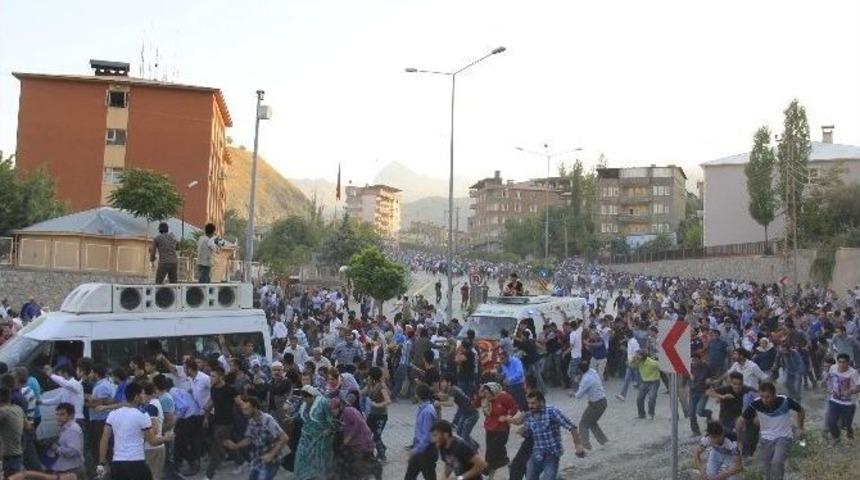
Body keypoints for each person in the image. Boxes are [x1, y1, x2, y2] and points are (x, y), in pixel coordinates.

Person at [98, 382, 172, 480]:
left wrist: (101, 462)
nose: (144, 396)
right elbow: (152, 441)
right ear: (136, 397)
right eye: (142, 393)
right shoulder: (142, 415)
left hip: (118, 463)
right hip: (137, 462)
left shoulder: (113, 414)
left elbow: (104, 439)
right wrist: (166, 438)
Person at [504, 390, 585, 480]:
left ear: (542, 402)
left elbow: (572, 427)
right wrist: (523, 431)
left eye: (533, 403)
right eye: (529, 403)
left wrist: (578, 445)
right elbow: (525, 427)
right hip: (535, 454)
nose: (530, 406)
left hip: (551, 454)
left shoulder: (552, 412)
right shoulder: (529, 415)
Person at [738, 382, 804, 480]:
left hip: (784, 437)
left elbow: (800, 410)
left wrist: (800, 427)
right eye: (762, 396)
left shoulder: (785, 401)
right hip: (766, 439)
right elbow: (740, 421)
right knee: (767, 468)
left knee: (777, 462)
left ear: (774, 394)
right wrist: (739, 440)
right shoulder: (756, 404)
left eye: (767, 397)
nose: (764, 400)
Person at [224, 397, 289, 480]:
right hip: (257, 459)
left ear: (254, 408)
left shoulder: (268, 420)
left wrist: (270, 455)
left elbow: (284, 438)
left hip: (271, 461)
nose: (244, 412)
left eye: (246, 409)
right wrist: (236, 446)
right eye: (243, 409)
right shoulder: (251, 420)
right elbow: (249, 439)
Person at [329, 398, 381, 480]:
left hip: (362, 440)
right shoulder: (344, 413)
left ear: (339, 407)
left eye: (333, 409)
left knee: (360, 462)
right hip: (359, 440)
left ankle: (373, 471)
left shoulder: (348, 411)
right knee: (363, 460)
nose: (332, 412)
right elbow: (348, 425)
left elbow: (358, 423)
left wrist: (348, 438)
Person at [294, 385, 335, 480]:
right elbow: (302, 416)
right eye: (303, 397)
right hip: (306, 436)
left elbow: (330, 418)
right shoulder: (304, 404)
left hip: (320, 436)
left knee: (319, 459)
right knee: (303, 456)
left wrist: (329, 429)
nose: (305, 400)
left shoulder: (322, 402)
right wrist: (293, 417)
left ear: (312, 396)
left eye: (306, 397)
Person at [478, 382, 518, 479]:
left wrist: (506, 416)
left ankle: (488, 469)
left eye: (488, 393)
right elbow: (474, 405)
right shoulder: (484, 398)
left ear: (494, 392)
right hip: (489, 427)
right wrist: (479, 396)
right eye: (485, 393)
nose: (487, 396)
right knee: (493, 450)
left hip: (502, 429)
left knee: (493, 451)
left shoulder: (504, 396)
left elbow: (514, 408)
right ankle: (501, 465)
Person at [205, 366, 238, 480]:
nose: (211, 378)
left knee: (216, 446)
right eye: (210, 376)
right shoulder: (213, 388)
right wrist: (206, 416)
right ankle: (241, 460)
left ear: (221, 377)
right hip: (217, 421)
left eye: (213, 376)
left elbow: (239, 403)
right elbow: (212, 402)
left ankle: (209, 475)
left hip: (227, 422)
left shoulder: (230, 389)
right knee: (225, 443)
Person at [823, 352, 860, 443]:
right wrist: (825, 382)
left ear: (848, 363)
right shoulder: (833, 368)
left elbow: (858, 387)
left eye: (844, 362)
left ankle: (850, 435)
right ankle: (836, 437)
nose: (841, 364)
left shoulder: (853, 373)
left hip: (849, 403)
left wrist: (850, 391)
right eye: (839, 362)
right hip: (834, 400)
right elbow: (830, 376)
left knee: (846, 424)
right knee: (831, 421)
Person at [42, 402, 85, 479]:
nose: (58, 417)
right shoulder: (65, 427)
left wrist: (56, 448)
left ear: (71, 415)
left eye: (62, 414)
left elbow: (72, 451)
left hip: (71, 470)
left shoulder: (73, 429)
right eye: (57, 414)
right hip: (64, 469)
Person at [405, 384, 438, 480]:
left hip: (426, 450)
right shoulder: (425, 408)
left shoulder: (427, 412)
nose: (414, 396)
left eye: (415, 394)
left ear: (419, 396)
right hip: (420, 448)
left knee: (429, 476)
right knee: (410, 476)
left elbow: (427, 436)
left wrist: (415, 450)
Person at [572, 362, 608, 449]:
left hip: (596, 404)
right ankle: (604, 441)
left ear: (580, 370)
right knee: (592, 422)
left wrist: (572, 393)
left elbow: (578, 395)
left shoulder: (585, 380)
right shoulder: (592, 371)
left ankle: (586, 446)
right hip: (602, 401)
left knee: (583, 424)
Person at [364, 366, 391, 462]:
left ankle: (382, 457)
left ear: (373, 376)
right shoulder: (372, 384)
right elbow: (363, 392)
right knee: (366, 432)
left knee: (376, 436)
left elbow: (388, 401)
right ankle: (380, 449)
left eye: (369, 376)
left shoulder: (381, 386)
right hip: (372, 414)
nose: (368, 377)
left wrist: (377, 405)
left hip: (381, 416)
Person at [0, 386, 25, 477]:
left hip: (9, 456)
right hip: (18, 453)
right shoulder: (18, 409)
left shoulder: (3, 411)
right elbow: (28, 426)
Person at [631, 350, 661, 420]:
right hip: (644, 382)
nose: (636, 357)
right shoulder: (638, 362)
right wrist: (633, 360)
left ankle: (651, 414)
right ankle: (641, 414)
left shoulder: (652, 363)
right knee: (639, 398)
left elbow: (661, 367)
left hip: (654, 382)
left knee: (652, 398)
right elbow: (631, 365)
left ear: (642, 356)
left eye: (637, 356)